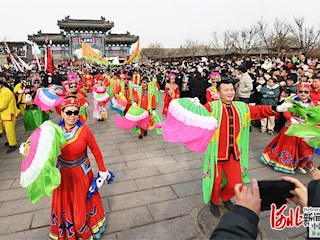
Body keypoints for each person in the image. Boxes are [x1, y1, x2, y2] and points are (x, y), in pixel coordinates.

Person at [203, 78, 293, 216]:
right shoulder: (211, 107)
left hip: (233, 154)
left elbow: (258, 111)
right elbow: (196, 118)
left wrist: (277, 108)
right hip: (216, 154)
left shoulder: (241, 107)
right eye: (226, 90)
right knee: (215, 182)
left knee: (236, 184)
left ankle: (225, 198)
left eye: (232, 89)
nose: (230, 92)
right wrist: (191, 108)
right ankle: (214, 202)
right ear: (219, 91)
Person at [49, 98, 114, 239]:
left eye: (75, 112)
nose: (72, 116)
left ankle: (86, 229)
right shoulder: (55, 132)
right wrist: (29, 150)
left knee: (82, 204)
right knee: (65, 204)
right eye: (69, 112)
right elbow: (46, 152)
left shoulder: (84, 131)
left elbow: (96, 150)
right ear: (62, 113)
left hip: (82, 175)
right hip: (63, 175)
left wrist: (102, 170)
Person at [260, 83, 315, 174]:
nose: (303, 93)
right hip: (291, 127)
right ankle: (287, 163)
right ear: (297, 92)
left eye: (306, 92)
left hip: (304, 129)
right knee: (289, 146)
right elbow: (285, 112)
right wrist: (292, 119)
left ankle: (301, 164)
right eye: (300, 91)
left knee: (303, 147)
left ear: (309, 93)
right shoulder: (291, 101)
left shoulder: (311, 103)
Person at [0, 76, 20, 153]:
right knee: (8, 130)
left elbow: (2, 105)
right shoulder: (3, 91)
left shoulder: (5, 92)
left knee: (9, 131)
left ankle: (13, 144)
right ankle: (10, 141)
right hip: (6, 115)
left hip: (9, 114)